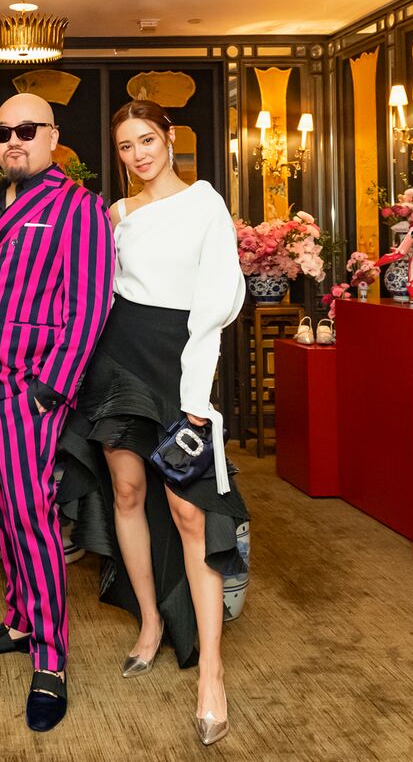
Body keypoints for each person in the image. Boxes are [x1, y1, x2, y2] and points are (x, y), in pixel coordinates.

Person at [56, 99, 247, 746]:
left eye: (147, 139)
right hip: (115, 363)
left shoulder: (203, 204)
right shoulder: (112, 216)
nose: (138, 154)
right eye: (126, 147)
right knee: (128, 493)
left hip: (177, 363)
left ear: (169, 138)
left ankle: (212, 674)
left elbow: (219, 302)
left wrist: (196, 396)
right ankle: (149, 624)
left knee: (191, 509)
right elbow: (82, 288)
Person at [0, 92, 114, 732]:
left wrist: (53, 386)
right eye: (2, 131)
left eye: (26, 129)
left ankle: (51, 658)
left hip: (29, 391)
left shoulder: (81, 208)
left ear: (53, 137)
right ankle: (20, 622)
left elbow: (92, 303)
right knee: (5, 517)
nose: (12, 140)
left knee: (33, 519)